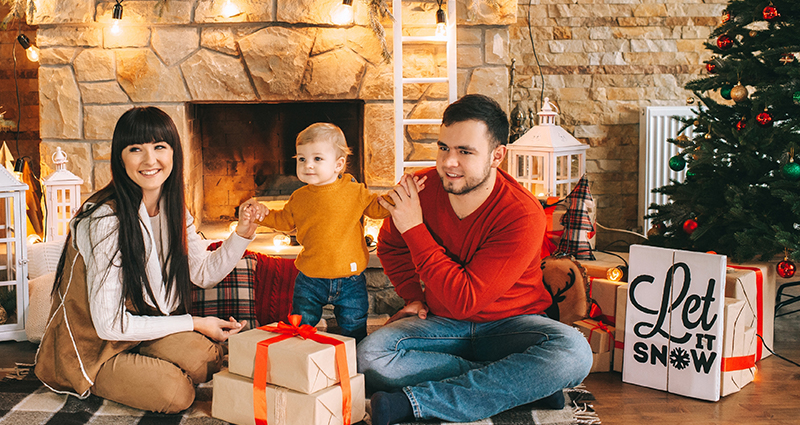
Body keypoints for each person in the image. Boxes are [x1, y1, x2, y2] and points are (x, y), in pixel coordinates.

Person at [357, 94, 593, 425]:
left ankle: (417, 403)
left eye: (465, 152)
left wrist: (414, 227)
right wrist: (412, 294)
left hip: (511, 326)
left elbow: (466, 299)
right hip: (442, 324)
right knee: (369, 357)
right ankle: (526, 386)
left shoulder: (522, 213)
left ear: (497, 155)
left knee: (574, 353)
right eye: (443, 148)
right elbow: (391, 247)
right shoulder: (420, 189)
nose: (449, 162)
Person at [34, 106, 265, 413]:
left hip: (141, 328)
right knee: (177, 394)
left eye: (159, 147)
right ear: (121, 157)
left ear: (174, 153)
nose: (149, 160)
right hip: (96, 346)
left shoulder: (173, 208)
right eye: (135, 149)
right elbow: (109, 326)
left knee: (207, 359)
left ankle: (150, 366)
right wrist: (195, 323)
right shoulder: (105, 219)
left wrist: (243, 233)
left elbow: (202, 273)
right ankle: (142, 373)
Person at [255, 122, 424, 342]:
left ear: (338, 164)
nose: (308, 165)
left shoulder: (354, 191)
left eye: (317, 159)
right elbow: (284, 221)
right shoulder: (300, 197)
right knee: (301, 324)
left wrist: (400, 194)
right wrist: (263, 215)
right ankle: (300, 357)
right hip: (310, 278)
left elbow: (377, 208)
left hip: (350, 279)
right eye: (302, 159)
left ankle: (355, 360)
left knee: (354, 325)